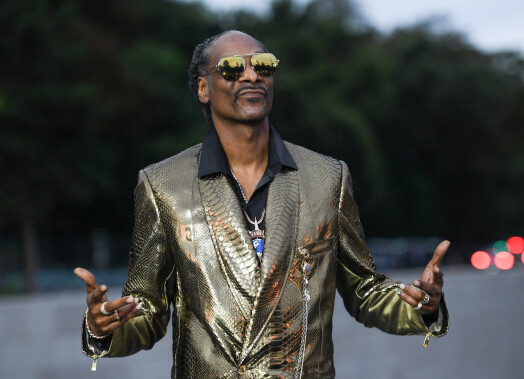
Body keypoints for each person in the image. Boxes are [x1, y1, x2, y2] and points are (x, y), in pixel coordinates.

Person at [75, 30, 449, 378]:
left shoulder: (327, 178)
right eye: (233, 68)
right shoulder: (162, 185)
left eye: (264, 65)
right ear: (204, 88)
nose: (251, 76)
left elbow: (365, 291)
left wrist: (421, 306)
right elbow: (148, 308)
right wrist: (101, 327)